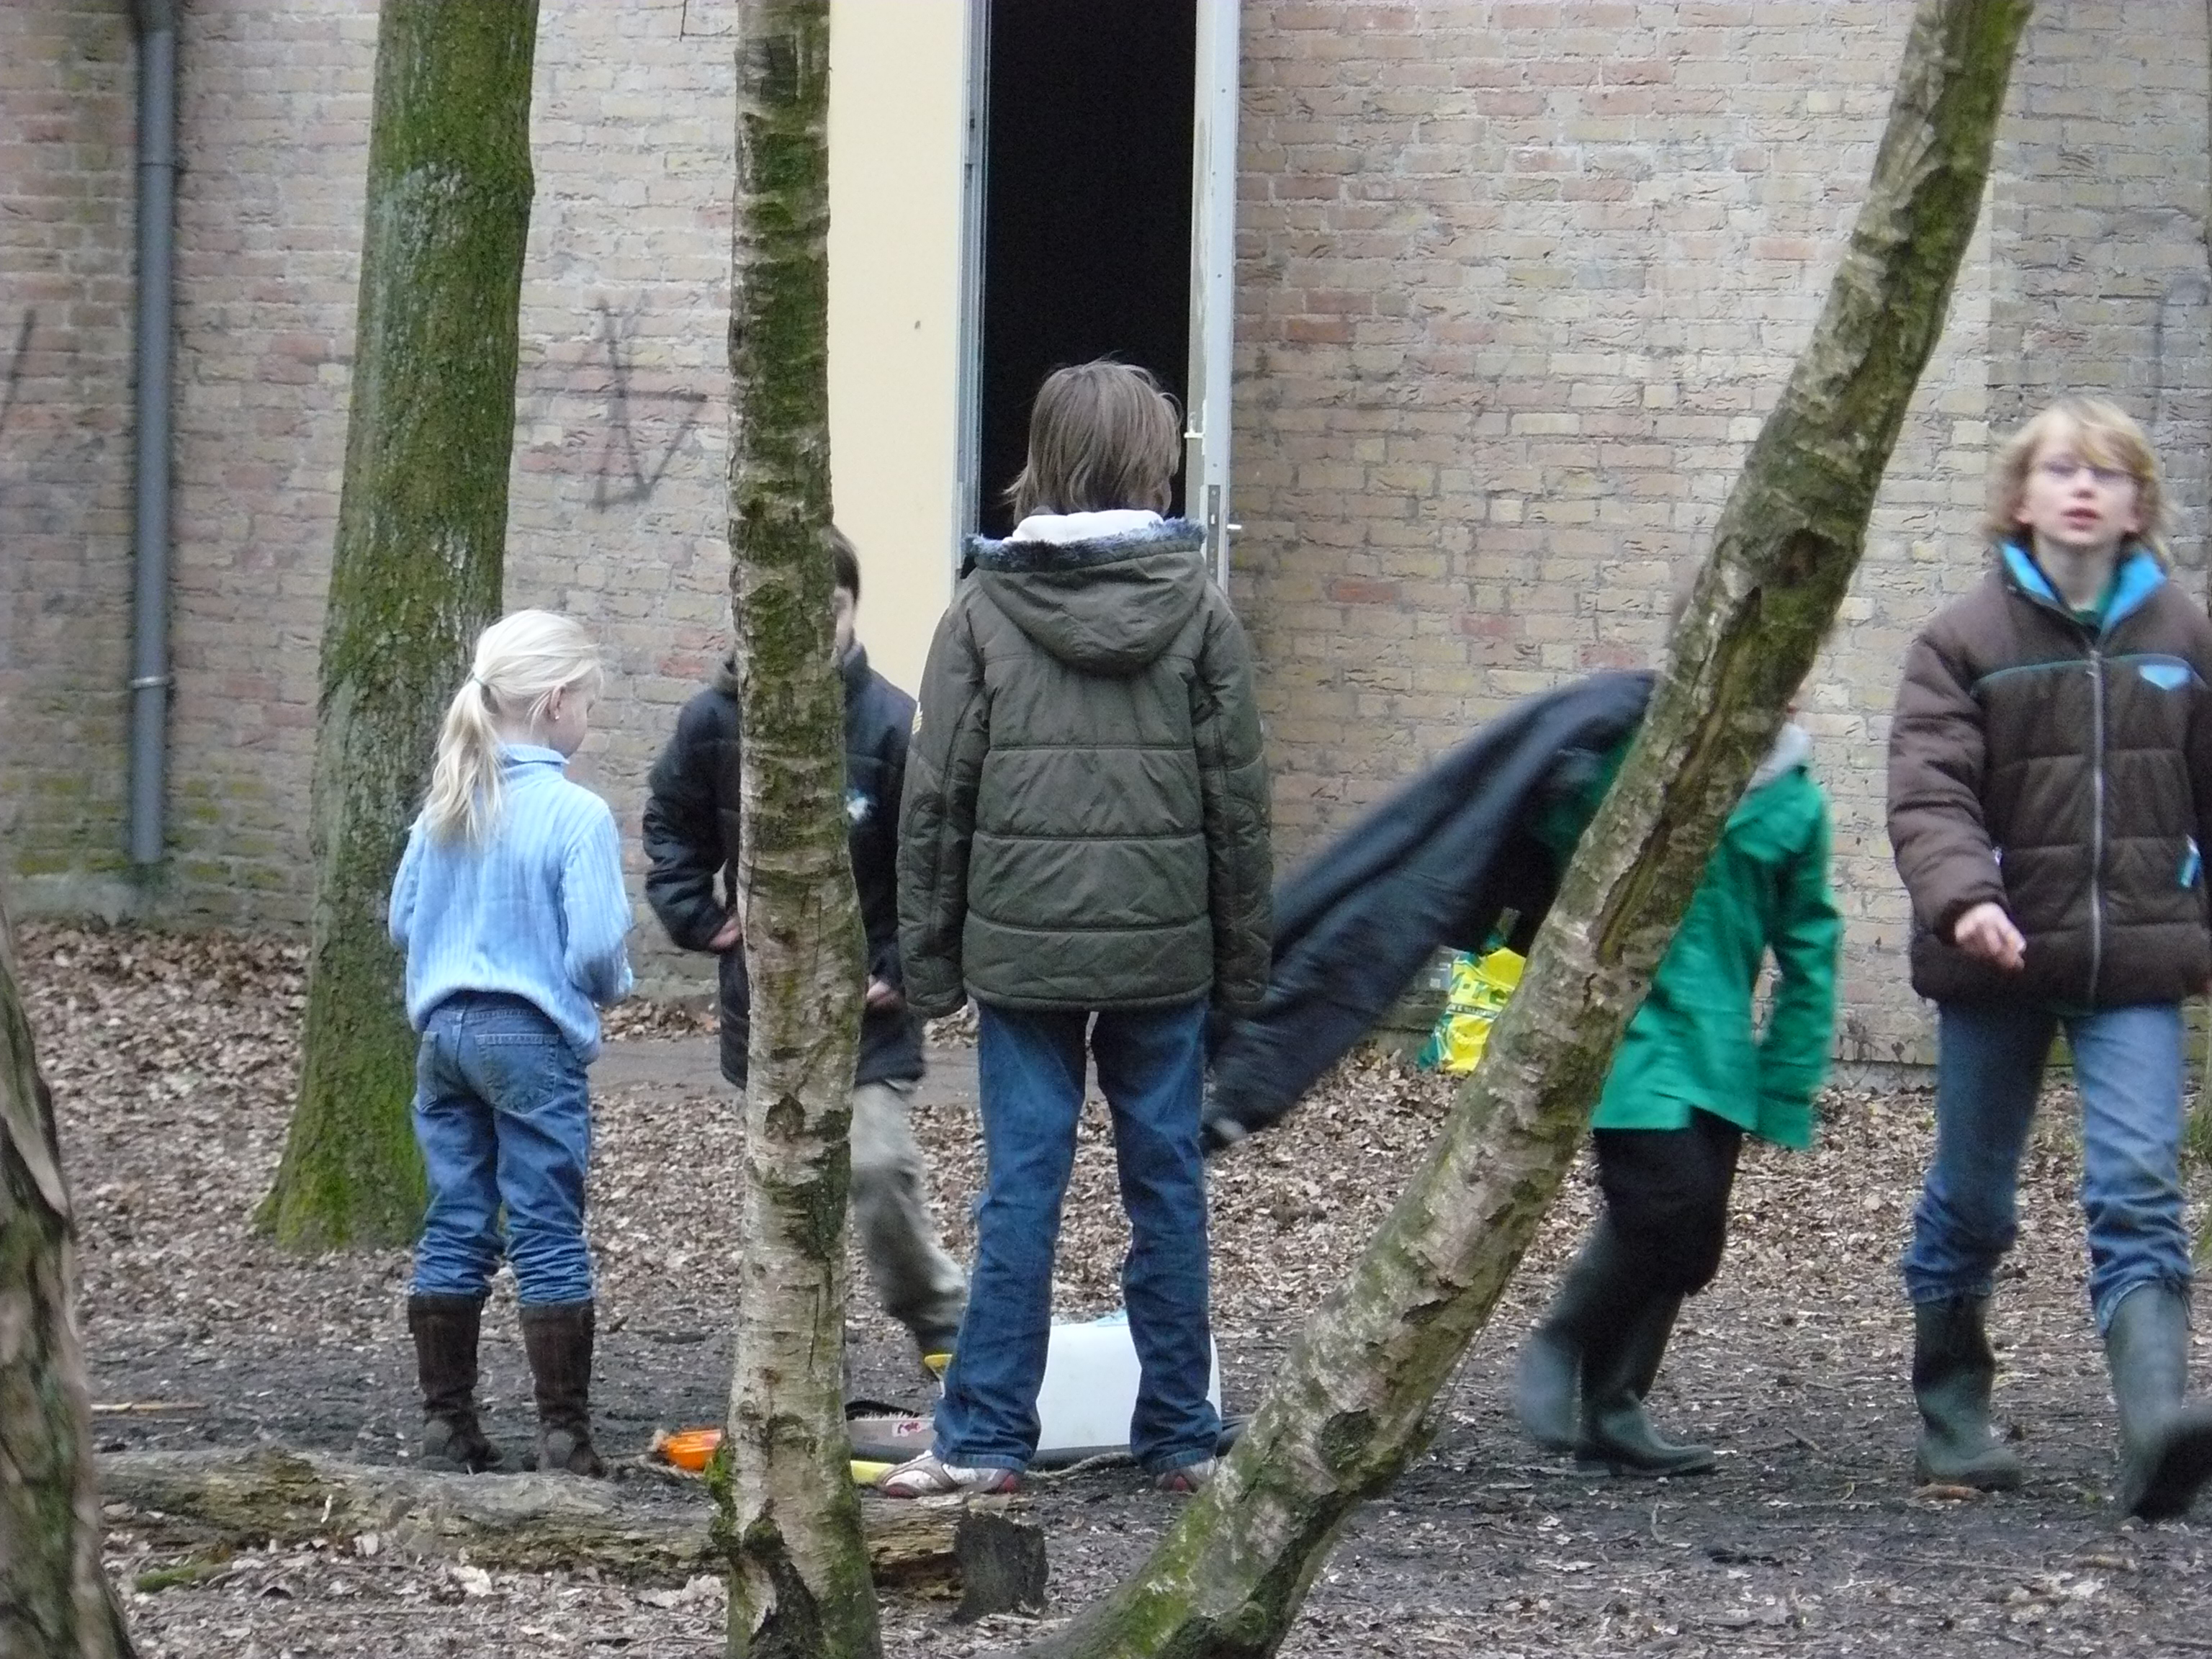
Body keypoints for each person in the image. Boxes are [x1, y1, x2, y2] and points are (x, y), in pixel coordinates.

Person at [883, 359, 1274, 1496]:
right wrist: (1244, 966)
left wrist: (929, 964)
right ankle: (1180, 1432)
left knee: (1021, 1188)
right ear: (1153, 462)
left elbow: (936, 801)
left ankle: (984, 1439)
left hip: (1023, 949)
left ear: (1043, 461)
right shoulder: (1199, 609)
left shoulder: (982, 610)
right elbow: (1238, 804)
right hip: (1166, 948)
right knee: (1167, 1185)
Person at [1889, 396, 2212, 1519]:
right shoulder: (1962, 641)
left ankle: (2156, 1432)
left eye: (2107, 474)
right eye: (2063, 470)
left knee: (2139, 1187)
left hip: (2137, 965)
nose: (2084, 488)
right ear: (2021, 498)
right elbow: (1928, 793)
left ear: (2136, 505)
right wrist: (1963, 901)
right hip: (1999, 960)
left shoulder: (2185, 635)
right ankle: (1953, 1409)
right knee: (1974, 1198)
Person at [1513, 616, 1840, 1475]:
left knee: (1691, 1243)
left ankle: (1614, 1408)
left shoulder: (1795, 803)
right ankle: (1561, 1338)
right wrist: (1561, 792)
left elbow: (1811, 947)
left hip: (1720, 1054)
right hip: (1628, 1035)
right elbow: (1557, 846)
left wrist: (1787, 1081)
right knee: (1665, 1206)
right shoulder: (1639, 762)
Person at [642, 529, 968, 1362]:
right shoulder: (712, 721)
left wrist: (904, 969)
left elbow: (935, 864)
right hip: (768, 1012)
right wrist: (698, 915)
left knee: (876, 1167)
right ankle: (793, 1362)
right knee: (786, 1196)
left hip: (868, 1016)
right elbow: (670, 824)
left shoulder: (894, 725)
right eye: (789, 610)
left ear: (855, 610)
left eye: (832, 608)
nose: (814, 628)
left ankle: (945, 1329)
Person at [391, 609, 634, 1477]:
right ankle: (564, 1437)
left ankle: (446, 1426)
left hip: (442, 1036)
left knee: (456, 1219)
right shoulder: (576, 814)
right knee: (545, 1228)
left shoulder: (447, 804)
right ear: (557, 700)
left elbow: (402, 922)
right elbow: (598, 946)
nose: (587, 721)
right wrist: (607, 987)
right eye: (589, 705)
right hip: (529, 1038)